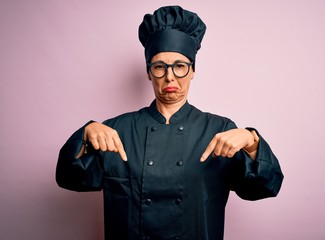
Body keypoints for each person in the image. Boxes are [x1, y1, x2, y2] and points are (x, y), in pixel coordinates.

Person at [56, 5, 283, 240]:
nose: (170, 76)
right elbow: (69, 178)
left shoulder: (220, 131)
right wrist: (86, 132)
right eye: (159, 67)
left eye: (180, 66)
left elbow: (264, 187)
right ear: (148, 72)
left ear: (193, 70)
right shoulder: (116, 131)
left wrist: (252, 142)